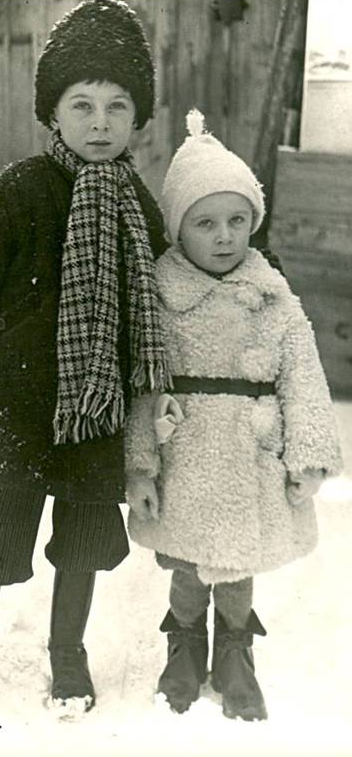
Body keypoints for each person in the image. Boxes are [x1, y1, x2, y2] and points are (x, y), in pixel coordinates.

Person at [0, 0, 173, 717]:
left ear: (137, 119)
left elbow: (168, 297)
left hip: (96, 409)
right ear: (51, 114)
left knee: (83, 537)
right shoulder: (16, 192)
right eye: (81, 105)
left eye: (116, 107)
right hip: (18, 406)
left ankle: (68, 652)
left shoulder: (137, 207)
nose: (98, 123)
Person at [125, 110, 342, 721]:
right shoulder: (159, 298)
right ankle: (185, 646)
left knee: (240, 563)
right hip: (188, 455)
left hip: (251, 456)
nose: (225, 236)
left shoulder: (271, 293)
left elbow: (304, 376)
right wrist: (140, 466)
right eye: (206, 223)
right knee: (192, 562)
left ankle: (236, 652)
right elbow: (143, 383)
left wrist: (310, 457)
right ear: (176, 230)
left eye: (237, 221)